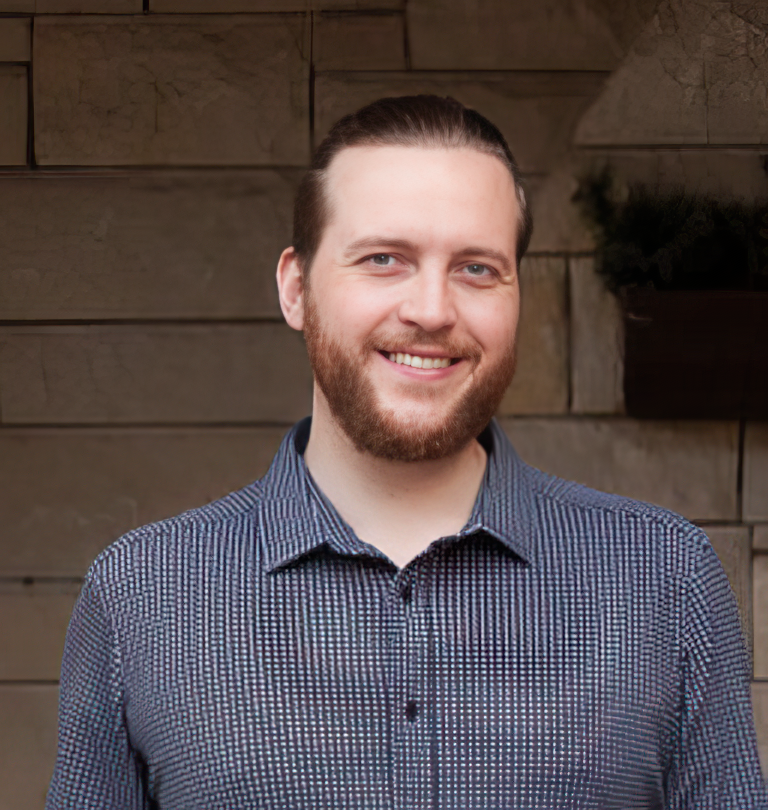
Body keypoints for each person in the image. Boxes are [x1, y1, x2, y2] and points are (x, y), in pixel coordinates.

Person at [46, 95, 767, 809]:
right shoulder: (141, 597)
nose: (430, 309)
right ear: (296, 289)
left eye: (477, 268)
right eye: (385, 258)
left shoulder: (666, 582)